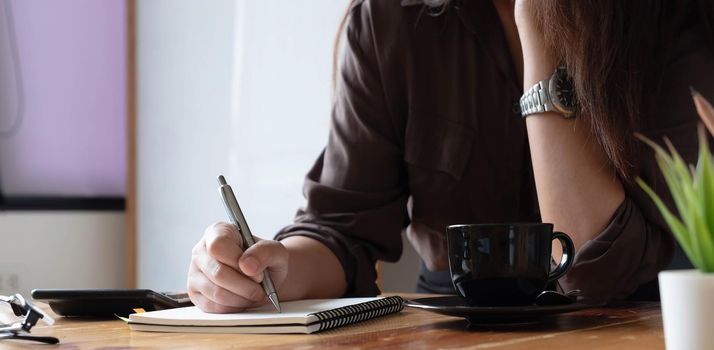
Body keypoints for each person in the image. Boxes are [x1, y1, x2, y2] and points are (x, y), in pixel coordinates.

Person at [187, 0, 714, 312]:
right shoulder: (392, 17)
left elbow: (594, 272)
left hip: (626, 328)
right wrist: (266, 269)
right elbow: (341, 230)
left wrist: (539, 22)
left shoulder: (664, 19)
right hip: (450, 329)